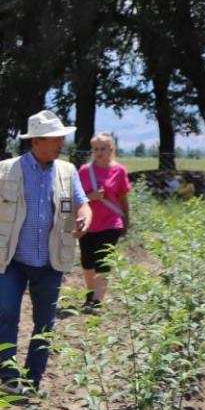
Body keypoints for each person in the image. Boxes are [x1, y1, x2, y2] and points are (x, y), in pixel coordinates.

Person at [0, 110, 93, 395]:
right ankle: (8, 376)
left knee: (45, 322)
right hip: (12, 260)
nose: (61, 143)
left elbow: (82, 203)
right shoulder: (6, 170)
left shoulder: (67, 171)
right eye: (56, 138)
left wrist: (85, 217)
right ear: (36, 142)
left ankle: (32, 379)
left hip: (50, 261)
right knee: (7, 314)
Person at [77, 132, 131, 309]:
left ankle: (97, 302)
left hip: (111, 221)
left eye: (103, 148)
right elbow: (75, 197)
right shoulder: (85, 171)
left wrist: (126, 219)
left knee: (103, 259)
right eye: (95, 149)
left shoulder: (119, 170)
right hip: (88, 221)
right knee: (87, 261)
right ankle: (90, 294)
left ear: (111, 149)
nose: (99, 152)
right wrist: (90, 196)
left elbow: (123, 197)